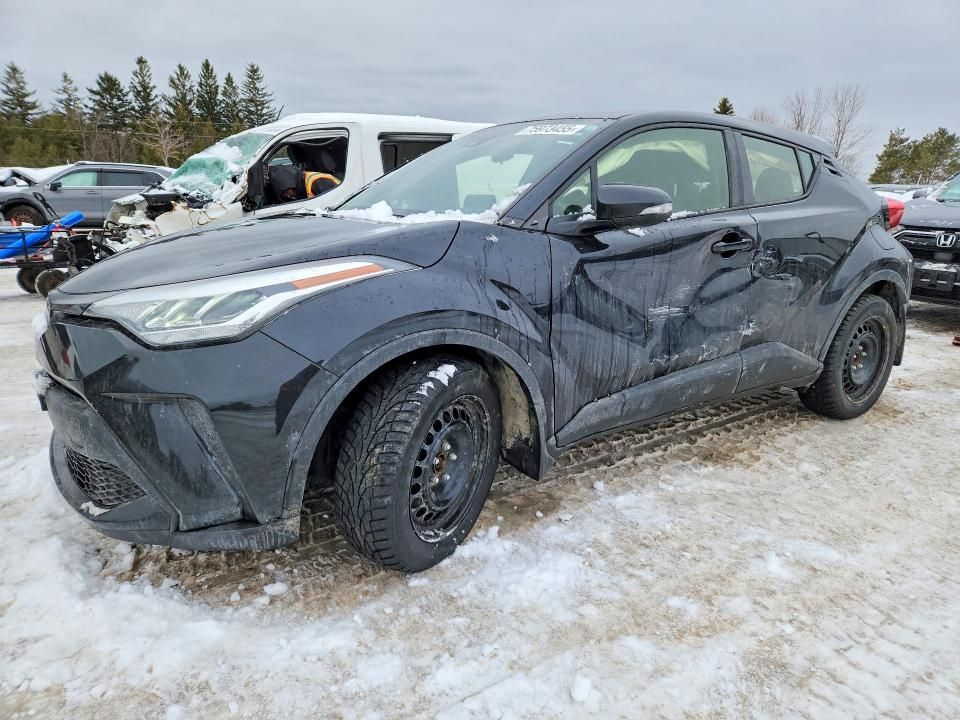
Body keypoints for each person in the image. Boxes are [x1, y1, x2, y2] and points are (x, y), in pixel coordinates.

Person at [267, 164, 340, 204]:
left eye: (286, 192)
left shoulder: (318, 181)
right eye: (284, 195)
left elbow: (334, 205)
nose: (288, 196)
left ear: (291, 182)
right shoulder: (301, 186)